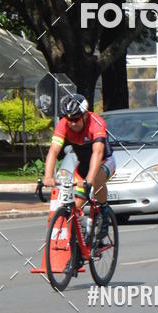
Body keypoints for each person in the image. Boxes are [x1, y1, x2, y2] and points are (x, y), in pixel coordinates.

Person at [43, 93, 116, 238]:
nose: (72, 123)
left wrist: (89, 180)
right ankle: (81, 238)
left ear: (85, 115)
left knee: (96, 178)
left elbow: (97, 153)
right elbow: (53, 151)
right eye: (69, 119)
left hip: (104, 161)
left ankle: (103, 211)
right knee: (76, 205)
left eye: (76, 119)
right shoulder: (63, 124)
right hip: (83, 164)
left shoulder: (96, 123)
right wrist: (48, 176)